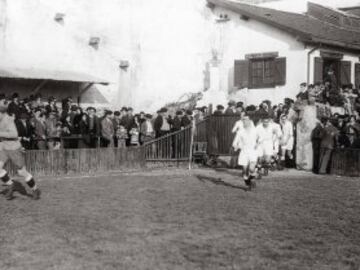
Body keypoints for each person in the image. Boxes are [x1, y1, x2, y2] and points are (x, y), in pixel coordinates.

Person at [0, 105, 41, 200]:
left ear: (2, 113)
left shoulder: (8, 120)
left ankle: (35, 189)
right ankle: (10, 185)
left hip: (14, 149)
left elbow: (14, 134)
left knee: (21, 172)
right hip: (4, 148)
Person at [232, 114, 258, 190]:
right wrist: (236, 146)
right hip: (244, 151)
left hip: (253, 151)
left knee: (251, 168)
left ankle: (252, 178)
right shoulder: (240, 132)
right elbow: (234, 143)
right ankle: (248, 182)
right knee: (244, 171)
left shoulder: (255, 130)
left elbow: (260, 138)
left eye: (246, 119)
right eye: (243, 119)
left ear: (250, 121)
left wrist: (257, 144)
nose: (244, 121)